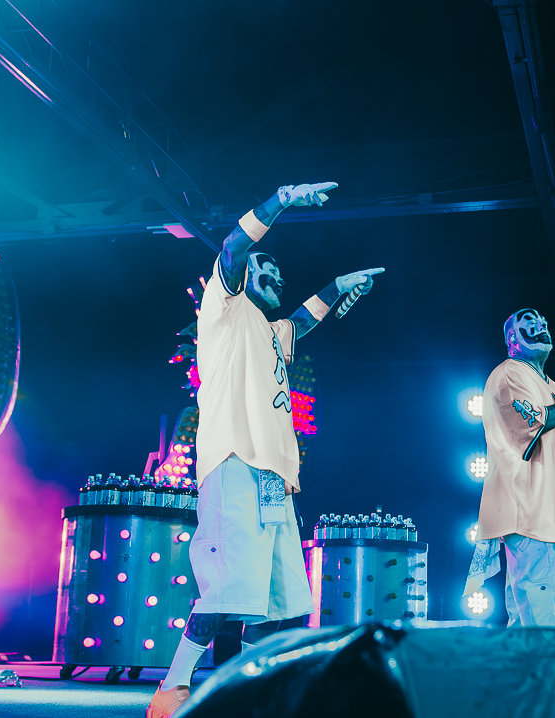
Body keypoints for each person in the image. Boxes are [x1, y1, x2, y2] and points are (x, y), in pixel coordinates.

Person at [146, 182, 384, 718]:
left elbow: (302, 321)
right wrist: (282, 200)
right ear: (242, 279)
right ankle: (172, 688)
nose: (277, 279)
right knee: (228, 590)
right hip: (234, 463)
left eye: (280, 275)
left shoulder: (271, 332)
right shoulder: (224, 309)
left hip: (274, 478)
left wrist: (339, 285)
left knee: (278, 599)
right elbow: (233, 248)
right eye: (267, 272)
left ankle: (250, 692)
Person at [464, 308, 555, 636]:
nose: (541, 326)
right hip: (534, 518)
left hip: (553, 521)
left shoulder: (551, 386)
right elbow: (536, 423)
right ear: (512, 338)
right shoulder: (510, 372)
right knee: (552, 626)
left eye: (544, 323)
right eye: (530, 323)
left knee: (542, 625)